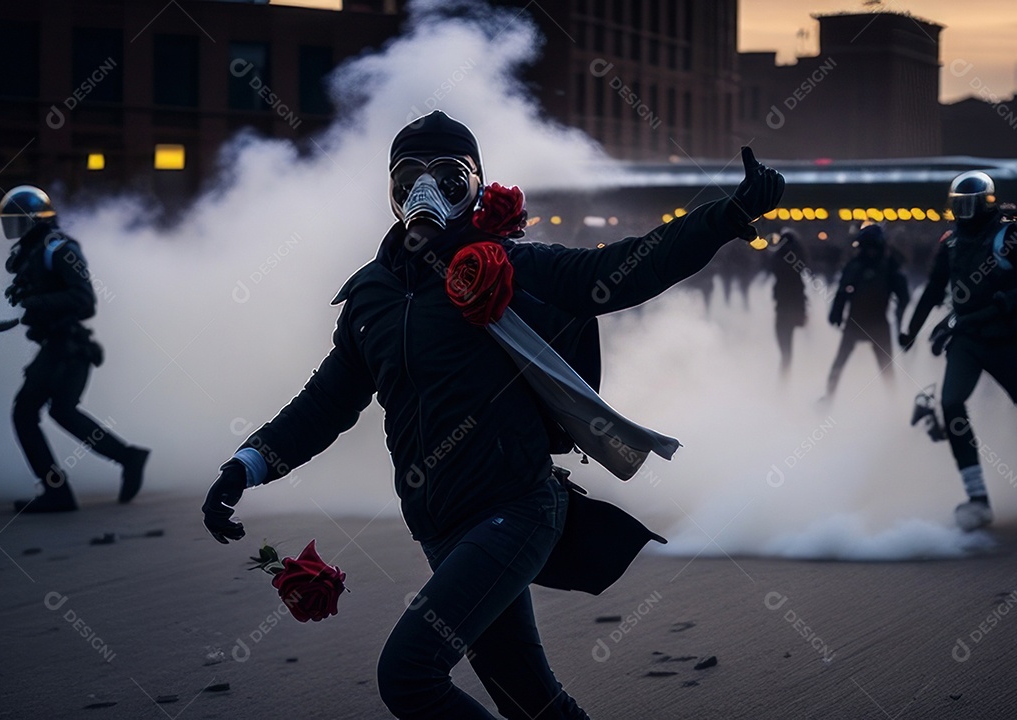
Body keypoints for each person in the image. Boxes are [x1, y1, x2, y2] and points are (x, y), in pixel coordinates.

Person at [202, 111, 784, 719]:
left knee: (408, 674)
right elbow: (323, 406)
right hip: (440, 530)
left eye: (448, 175)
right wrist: (246, 465)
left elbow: (618, 270)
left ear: (478, 185)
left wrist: (727, 214)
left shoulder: (506, 264)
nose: (426, 191)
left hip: (518, 508)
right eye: (409, 175)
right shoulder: (367, 298)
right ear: (392, 190)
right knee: (527, 698)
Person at [899, 171, 1017, 531]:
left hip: (1006, 340)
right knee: (950, 404)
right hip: (966, 339)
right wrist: (910, 331)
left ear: (986, 204)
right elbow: (933, 290)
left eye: (969, 205)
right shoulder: (950, 242)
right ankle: (977, 500)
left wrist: (1010, 300)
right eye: (957, 205)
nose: (963, 213)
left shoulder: (1010, 237)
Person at [0, 185, 149, 513]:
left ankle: (58, 492)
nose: (10, 228)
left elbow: (84, 301)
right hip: (58, 347)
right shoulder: (34, 251)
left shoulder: (58, 248)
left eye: (16, 220)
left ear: (34, 221)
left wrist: (36, 303)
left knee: (25, 413)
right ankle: (128, 458)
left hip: (67, 348)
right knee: (61, 411)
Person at [823, 224, 908, 400]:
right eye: (866, 247)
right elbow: (842, 291)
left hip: (877, 324)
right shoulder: (856, 265)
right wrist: (836, 312)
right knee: (840, 364)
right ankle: (828, 397)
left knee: (886, 368)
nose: (870, 251)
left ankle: (894, 402)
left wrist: (902, 318)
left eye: (872, 247)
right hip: (856, 323)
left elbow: (903, 295)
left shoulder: (889, 265)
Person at [770, 228, 808, 375]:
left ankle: (784, 380)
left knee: (785, 352)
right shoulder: (797, 260)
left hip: (785, 310)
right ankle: (786, 379)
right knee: (787, 352)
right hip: (791, 308)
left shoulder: (780, 259)